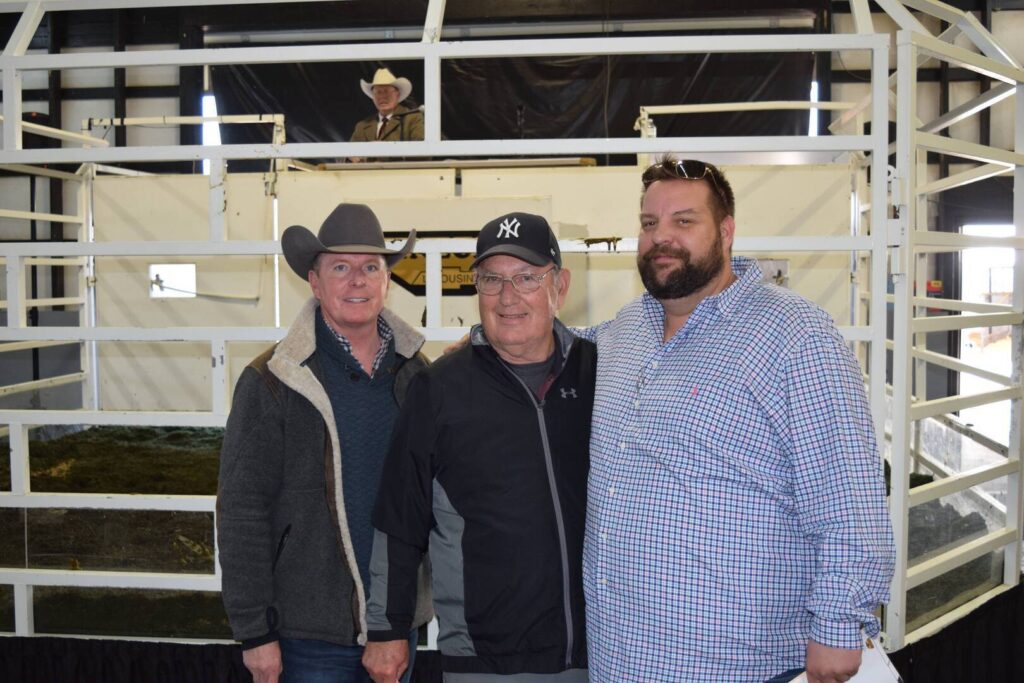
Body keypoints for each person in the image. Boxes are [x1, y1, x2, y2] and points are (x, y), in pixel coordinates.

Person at [579, 158, 895, 683]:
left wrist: (839, 628)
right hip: (622, 659)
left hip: (741, 665)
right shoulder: (626, 329)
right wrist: (489, 342)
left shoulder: (796, 336)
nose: (662, 238)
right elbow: (559, 348)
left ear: (726, 231)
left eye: (684, 221)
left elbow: (849, 499)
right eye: (650, 223)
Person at [362, 213, 596, 682]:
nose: (508, 296)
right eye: (492, 280)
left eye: (527, 277)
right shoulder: (439, 389)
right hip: (484, 662)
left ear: (560, 287)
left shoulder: (599, 373)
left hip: (599, 655)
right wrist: (386, 630)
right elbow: (399, 517)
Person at [217, 203, 432, 683]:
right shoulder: (271, 381)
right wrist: (255, 632)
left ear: (388, 281)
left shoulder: (417, 375)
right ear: (314, 282)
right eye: (341, 267)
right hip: (304, 634)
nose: (357, 280)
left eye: (370, 267)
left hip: (395, 627)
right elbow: (242, 510)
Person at [350, 68, 424, 145]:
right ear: (373, 97)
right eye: (378, 92)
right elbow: (346, 154)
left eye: (386, 91)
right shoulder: (362, 126)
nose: (382, 96)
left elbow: (423, 153)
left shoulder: (413, 119)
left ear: (397, 94)